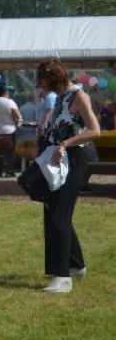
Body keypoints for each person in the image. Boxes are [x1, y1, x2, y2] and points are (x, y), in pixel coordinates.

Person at [34, 58, 100, 293]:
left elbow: (94, 130)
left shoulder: (78, 96)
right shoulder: (60, 97)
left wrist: (65, 144)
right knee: (54, 211)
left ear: (52, 77)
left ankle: (62, 277)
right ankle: (76, 264)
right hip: (56, 158)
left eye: (41, 78)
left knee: (59, 214)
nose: (40, 83)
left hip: (72, 158)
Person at [0, 86, 21, 175]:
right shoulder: (10, 102)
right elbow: (18, 117)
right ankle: (8, 170)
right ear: (5, 93)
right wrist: (18, 123)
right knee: (10, 152)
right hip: (8, 131)